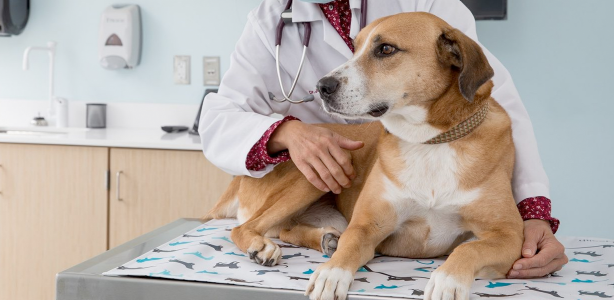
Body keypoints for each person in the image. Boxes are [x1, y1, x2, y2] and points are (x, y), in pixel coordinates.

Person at [199, 0, 567, 278]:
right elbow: (219, 116)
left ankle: (302, 233)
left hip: (379, 156)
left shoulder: (425, 7)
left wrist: (533, 213)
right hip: (302, 174)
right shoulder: (272, 17)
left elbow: (493, 97)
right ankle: (277, 229)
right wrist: (288, 132)